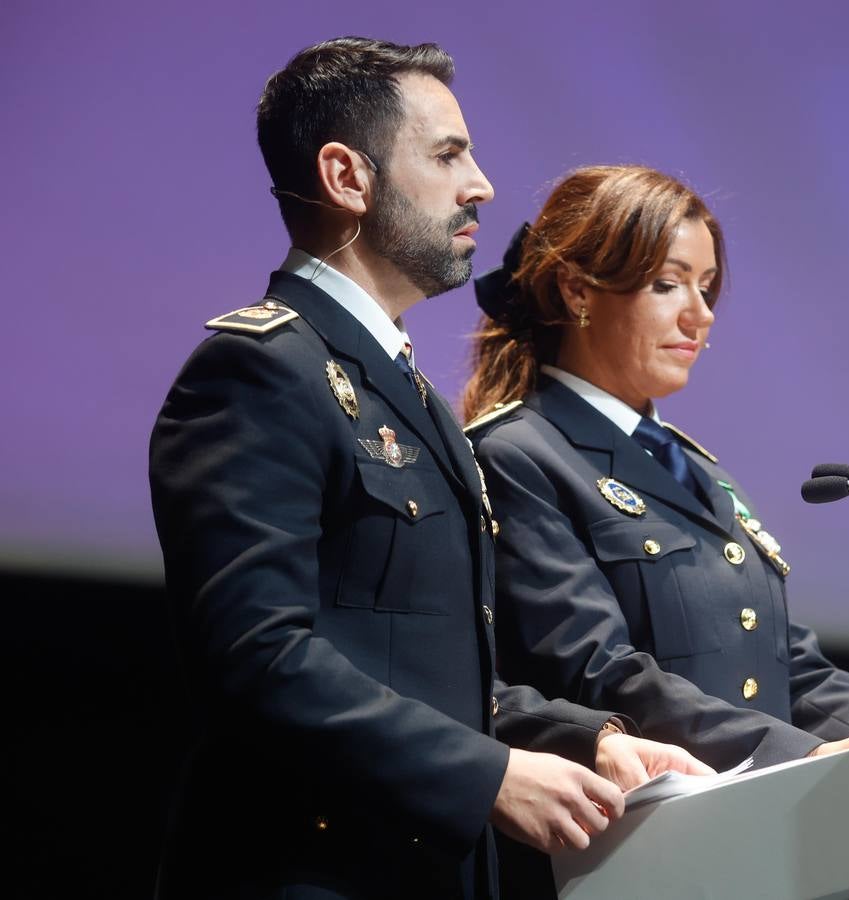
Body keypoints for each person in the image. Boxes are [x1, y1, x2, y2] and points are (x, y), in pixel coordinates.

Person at [149, 42, 706, 900]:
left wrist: (586, 737)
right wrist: (486, 777)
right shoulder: (259, 370)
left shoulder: (407, 393)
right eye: (447, 155)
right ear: (347, 177)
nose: (480, 184)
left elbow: (428, 670)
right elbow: (255, 661)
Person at [461, 165, 849, 777]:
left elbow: (792, 666)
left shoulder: (694, 467)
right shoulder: (518, 453)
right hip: (637, 831)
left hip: (752, 816)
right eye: (667, 285)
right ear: (577, 292)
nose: (699, 315)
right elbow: (598, 672)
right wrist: (802, 755)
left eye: (705, 288)